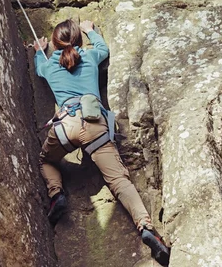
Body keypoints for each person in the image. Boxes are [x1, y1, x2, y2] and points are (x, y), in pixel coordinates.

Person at [33, 19, 170, 266]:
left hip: (66, 126)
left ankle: (56, 193)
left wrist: (39, 52)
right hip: (94, 123)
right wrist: (92, 32)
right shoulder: (89, 55)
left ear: (55, 43)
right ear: (79, 40)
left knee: (46, 160)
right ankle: (146, 227)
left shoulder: (49, 65)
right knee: (119, 181)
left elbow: (39, 68)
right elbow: (104, 50)